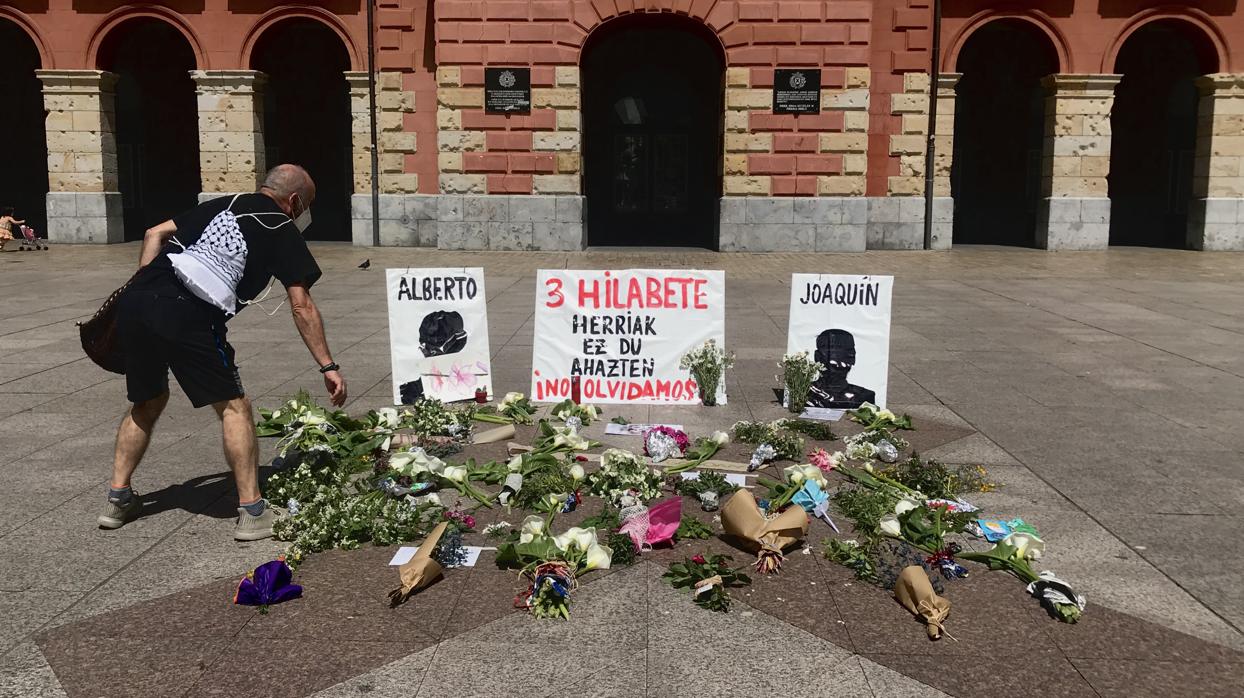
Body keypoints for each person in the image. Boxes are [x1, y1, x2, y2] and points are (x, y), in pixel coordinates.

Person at [99, 164, 347, 541]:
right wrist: (327, 366)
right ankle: (253, 512)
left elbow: (155, 232)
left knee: (147, 401)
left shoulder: (226, 202)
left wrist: (148, 288)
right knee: (235, 406)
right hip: (189, 312)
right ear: (294, 201)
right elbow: (302, 306)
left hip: (138, 299)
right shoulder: (282, 228)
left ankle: (118, 500)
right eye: (306, 204)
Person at [807, 329, 876, 409]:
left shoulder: (865, 396)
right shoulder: (804, 391)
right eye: (834, 351)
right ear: (817, 356)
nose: (840, 359)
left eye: (848, 352)